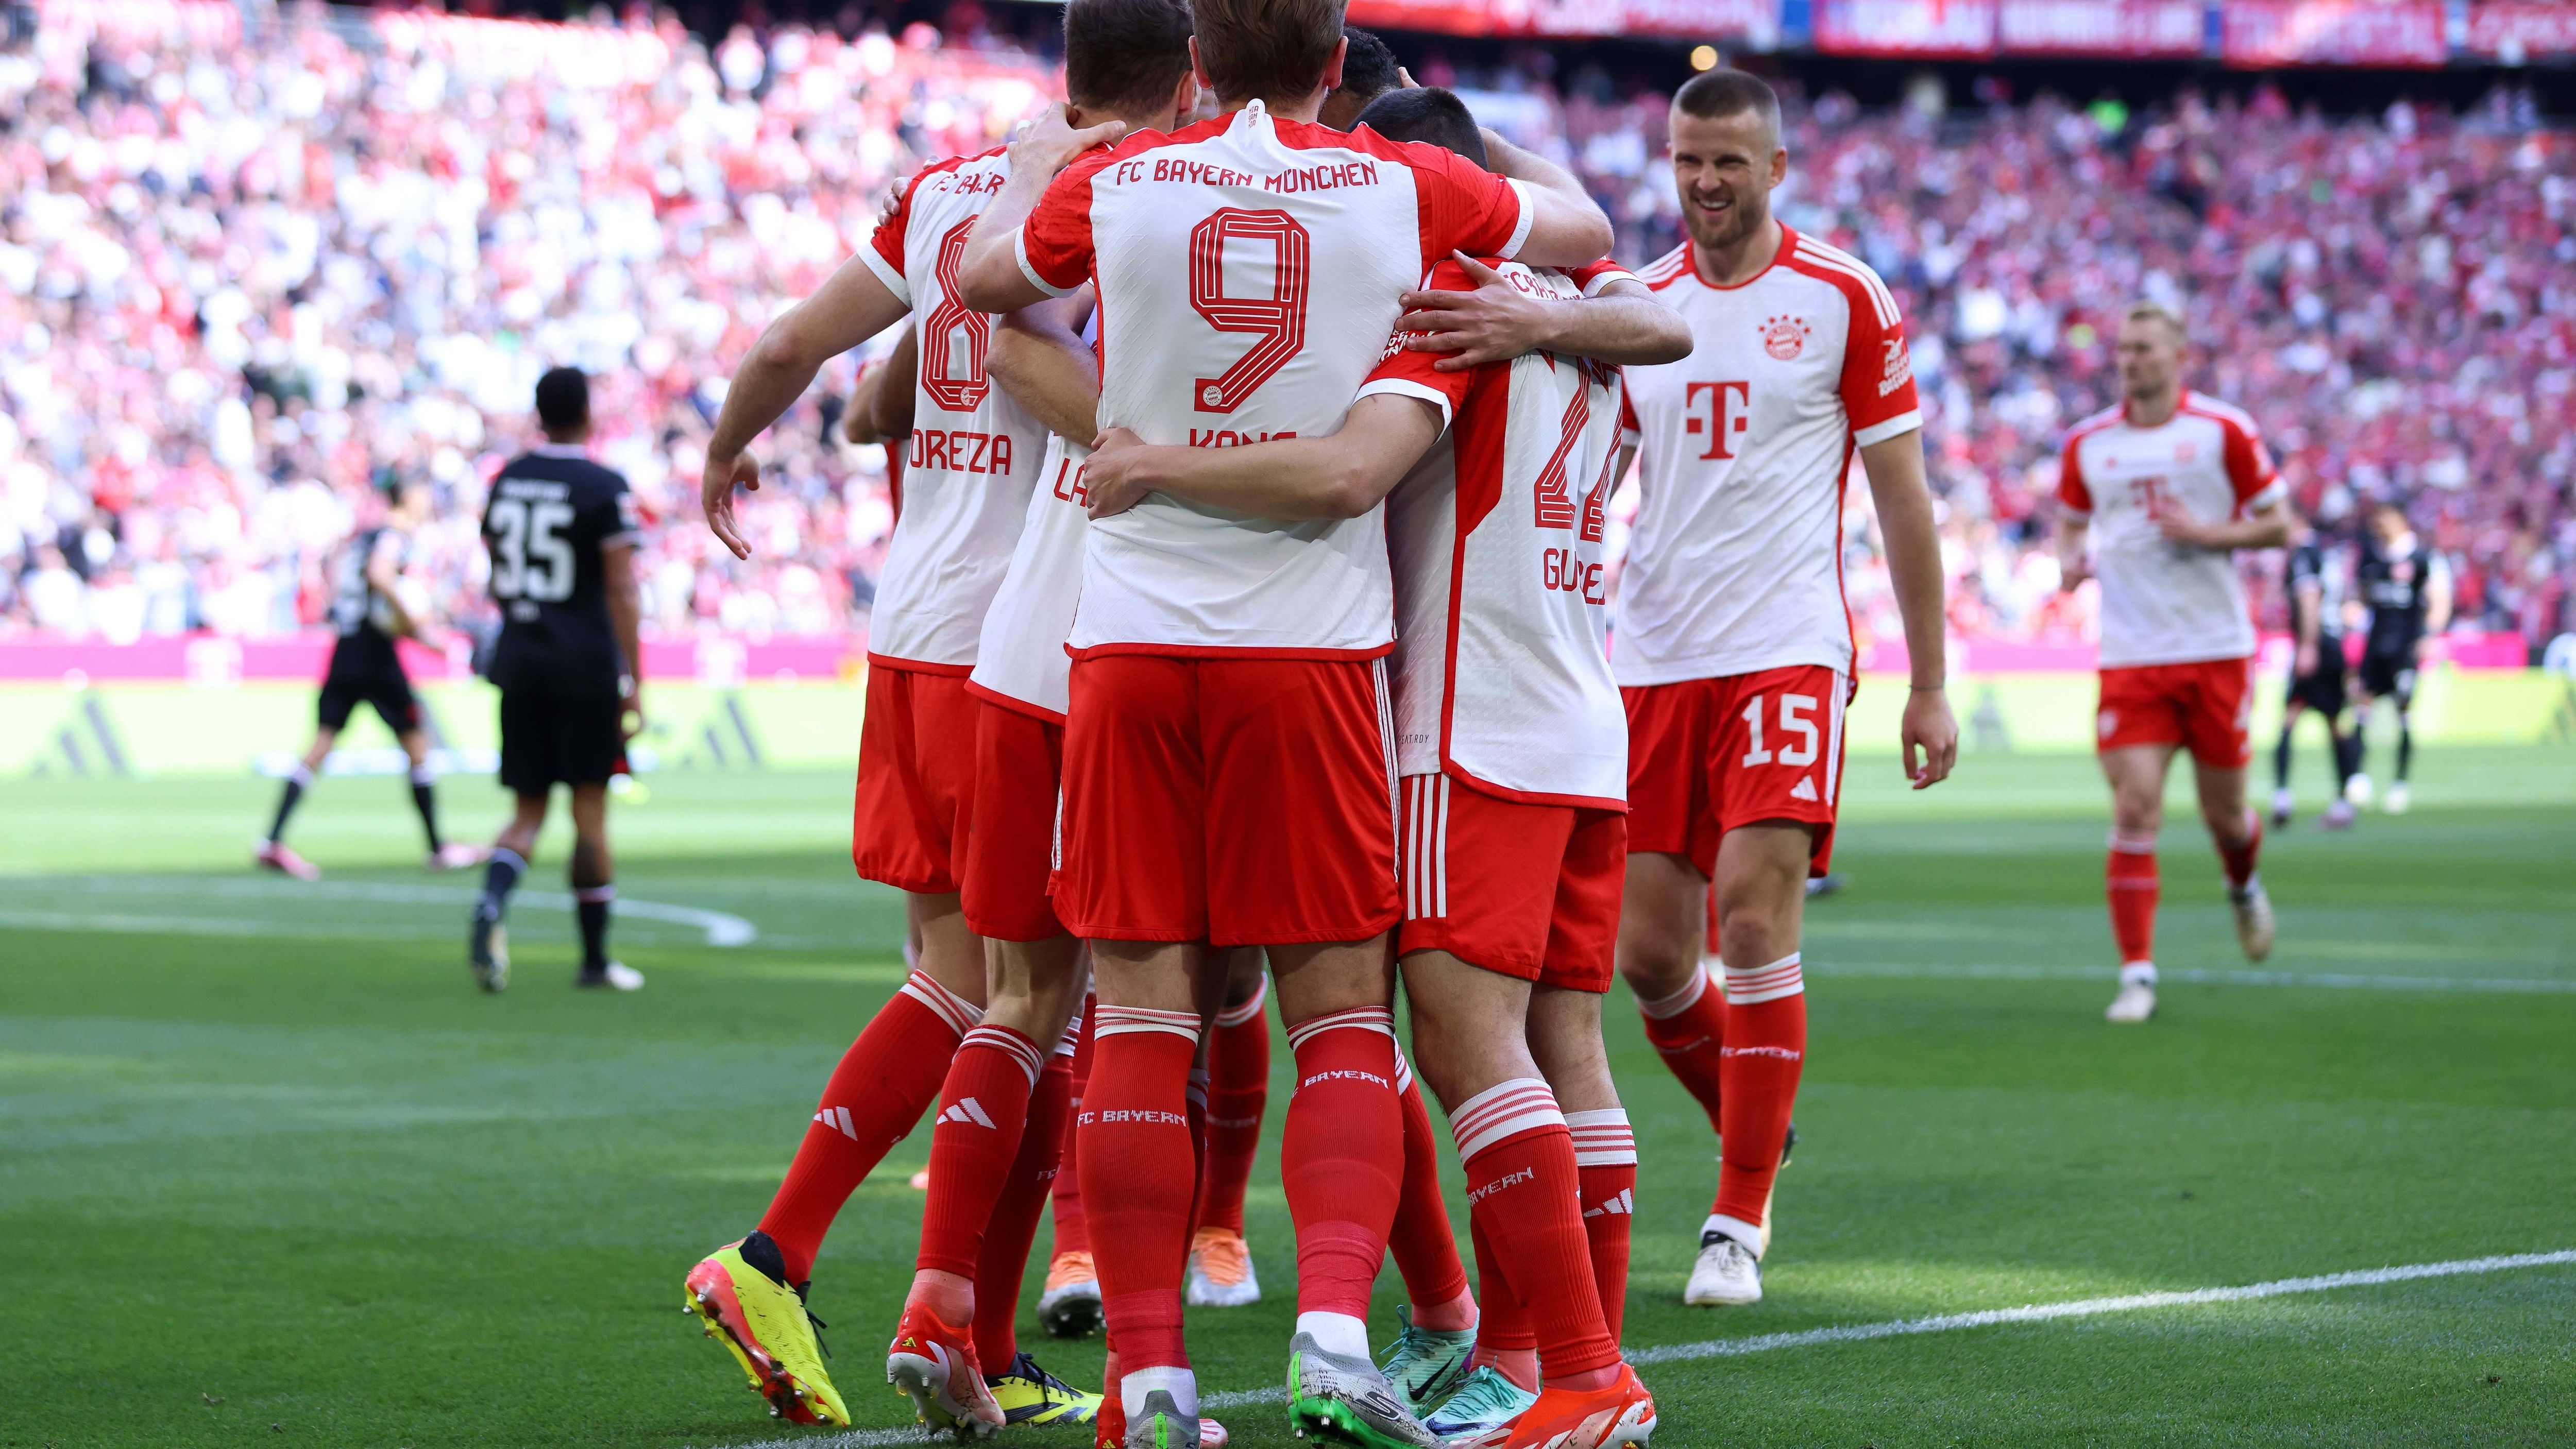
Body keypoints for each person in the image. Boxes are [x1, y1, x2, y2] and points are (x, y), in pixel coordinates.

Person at [955, 1, 1616, 1440]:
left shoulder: (1116, 182)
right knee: (1334, 1020)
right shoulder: (1406, 184)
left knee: (1135, 1013)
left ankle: (1148, 1382)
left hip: (1127, 638)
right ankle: (1331, 1327)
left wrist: (1029, 167)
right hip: (1311, 645)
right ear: (1336, 67)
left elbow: (985, 283)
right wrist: (1465, 135)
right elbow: (1575, 231)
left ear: (1194, 68)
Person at [1080, 80, 1686, 1449]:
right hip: (1586, 715)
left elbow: (1346, 468)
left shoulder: (1451, 299)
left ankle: (1584, 1371)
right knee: (1565, 1048)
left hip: (1464, 720)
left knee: (1465, 1050)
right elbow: (1667, 310)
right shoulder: (1572, 300)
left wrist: (1149, 461)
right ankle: (1537, 1355)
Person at [679, 0, 1187, 1432]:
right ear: (1181, 76)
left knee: (1033, 1006)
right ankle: (781, 1253)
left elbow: (795, 346)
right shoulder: (1127, 201)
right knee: (1002, 1000)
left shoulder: (944, 190)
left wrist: (726, 453)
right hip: (1019, 642)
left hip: (910, 629)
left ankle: (984, 1331)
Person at [1609, 69, 1957, 1311]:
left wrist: (1928, 681)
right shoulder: (1630, 303)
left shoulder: (1841, 296)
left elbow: (1902, 497)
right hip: (1646, 656)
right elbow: (1591, 486)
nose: (1706, 184)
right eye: (1687, 161)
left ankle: (1737, 1214)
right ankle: (1760, 1111)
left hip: (1784, 644)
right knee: (1649, 957)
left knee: (1751, 921)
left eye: (1729, 164)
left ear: (1776, 168)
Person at [2054, 302, 2293, 1025]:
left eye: (2146, 348)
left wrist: (2209, 533)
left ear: (2179, 355)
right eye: (2124, 349)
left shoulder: (2223, 430)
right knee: (2135, 807)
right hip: (2131, 655)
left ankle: (2244, 885)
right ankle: (2137, 975)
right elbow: (2069, 526)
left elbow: (2282, 524)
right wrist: (2070, 565)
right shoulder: (2089, 443)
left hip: (2216, 651)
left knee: (2226, 815)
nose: (2132, 360)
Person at [466, 367, 646, 996]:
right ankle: (595, 960)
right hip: (585, 666)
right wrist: (635, 678)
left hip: (520, 658)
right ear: (587, 413)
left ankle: (491, 902)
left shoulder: (508, 479)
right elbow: (622, 586)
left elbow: (496, 567)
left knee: (526, 813)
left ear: (538, 414)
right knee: (589, 815)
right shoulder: (602, 485)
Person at [256, 475, 485, 880]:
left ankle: (271, 840)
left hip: (346, 648)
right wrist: (416, 624)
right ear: (409, 495)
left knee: (321, 744)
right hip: (374, 652)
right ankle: (437, 847)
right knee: (416, 741)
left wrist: (418, 636)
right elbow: (380, 578)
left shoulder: (363, 538)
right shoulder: (394, 536)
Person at [2346, 498, 2451, 815]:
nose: (2379, 527)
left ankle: (2399, 785)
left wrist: (2429, 636)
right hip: (2376, 646)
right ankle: (2359, 779)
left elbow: (2439, 600)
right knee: (2361, 704)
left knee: (2403, 710)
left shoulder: (2423, 558)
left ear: (2400, 520)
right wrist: (2353, 612)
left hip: (2406, 648)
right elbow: (2361, 598)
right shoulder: (2370, 558)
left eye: (2385, 519)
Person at [2270, 520, 2360, 830]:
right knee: (2333, 723)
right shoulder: (2326, 553)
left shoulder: (2303, 554)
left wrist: (2307, 646)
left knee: (2293, 721)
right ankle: (2343, 799)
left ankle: (2284, 796)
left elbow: (2309, 597)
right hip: (2332, 642)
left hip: (2318, 643)